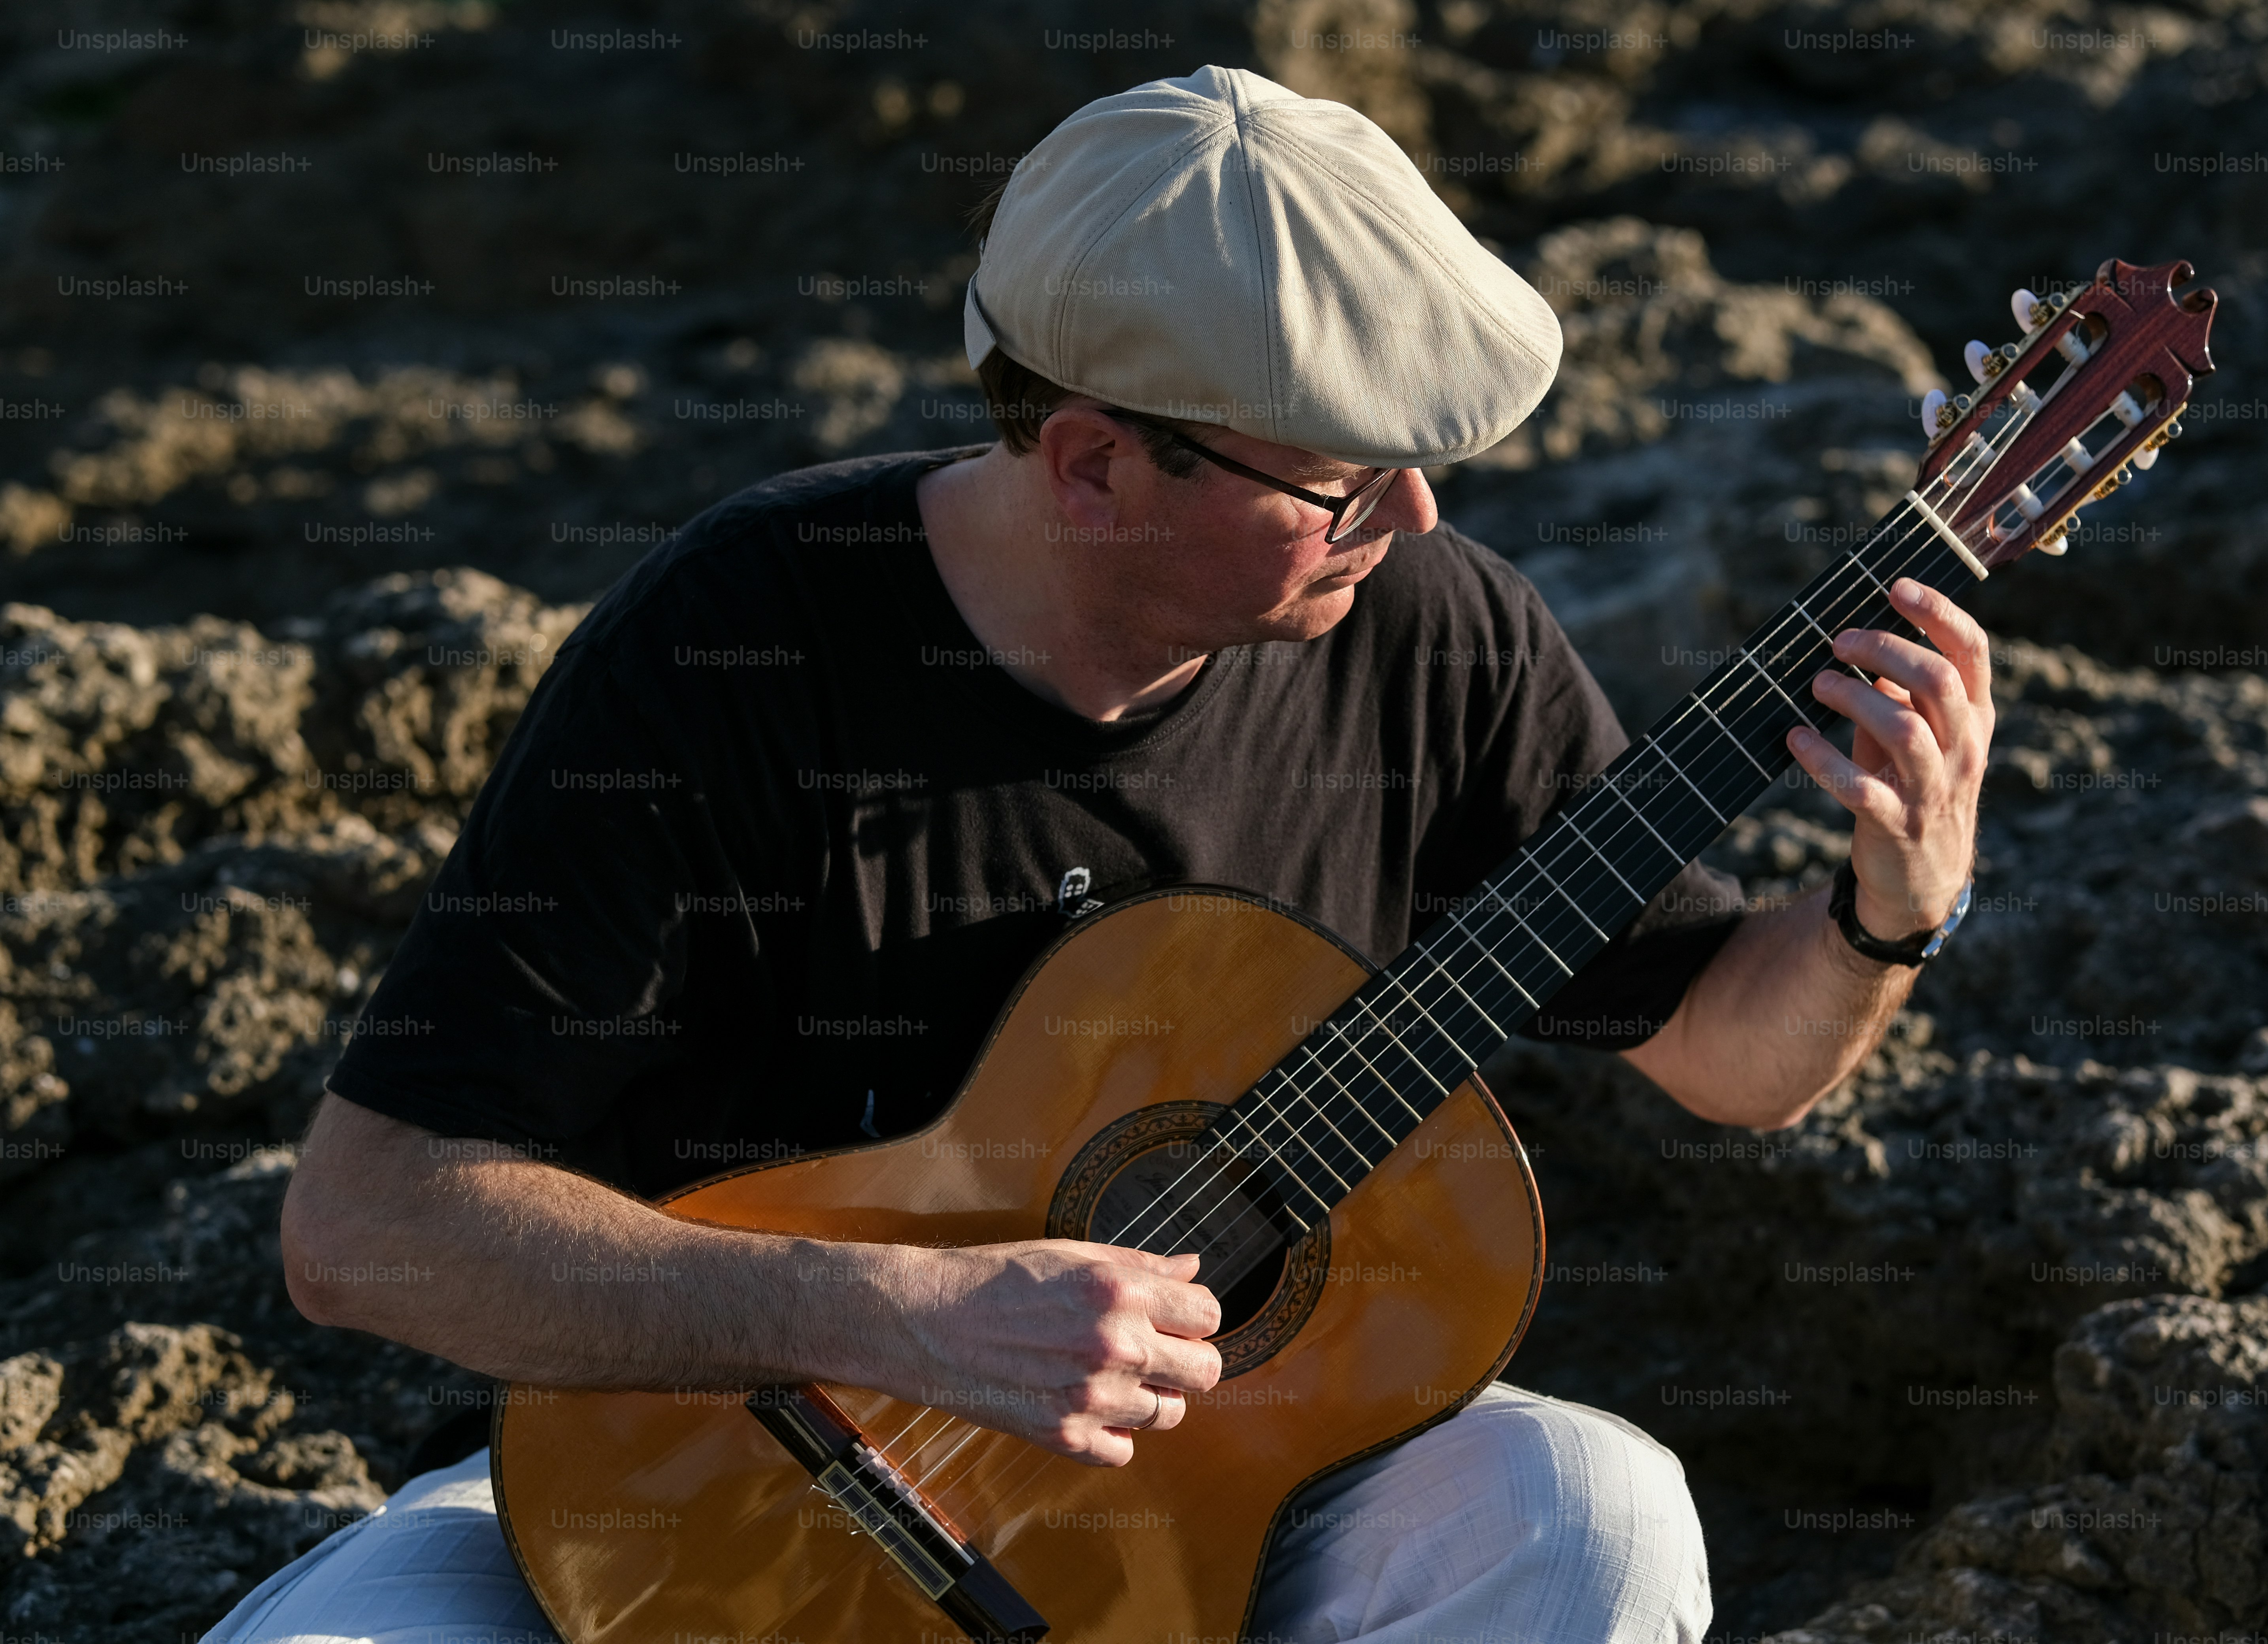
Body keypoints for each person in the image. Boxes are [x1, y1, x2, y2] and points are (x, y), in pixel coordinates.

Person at [210, 64, 1992, 1644]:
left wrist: (1885, 910)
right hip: (662, 1497)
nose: (1417, 517)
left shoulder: (1435, 635)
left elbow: (1727, 1050)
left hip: (1188, 1528)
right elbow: (366, 1229)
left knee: (1586, 1514)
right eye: (1342, 482)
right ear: (1089, 465)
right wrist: (901, 1312)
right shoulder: (733, 650)